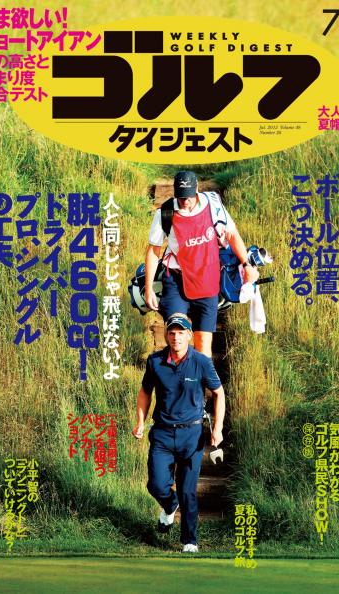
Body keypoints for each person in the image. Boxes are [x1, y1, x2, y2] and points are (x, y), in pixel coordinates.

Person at [132, 313, 225, 553]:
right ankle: (169, 504)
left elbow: (219, 393)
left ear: (189, 335)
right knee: (156, 484)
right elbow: (145, 392)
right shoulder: (155, 361)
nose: (176, 337)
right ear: (166, 335)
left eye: (181, 333)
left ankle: (189, 541)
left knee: (187, 490)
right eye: (172, 333)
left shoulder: (201, 362)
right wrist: (140, 421)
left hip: (191, 435)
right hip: (162, 434)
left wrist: (217, 428)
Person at [144, 170, 259, 357]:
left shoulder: (213, 205)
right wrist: (149, 288)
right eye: (181, 197)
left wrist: (246, 264)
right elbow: (153, 251)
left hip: (207, 279)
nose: (185, 202)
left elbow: (232, 234)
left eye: (188, 196)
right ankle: (178, 372)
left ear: (197, 189)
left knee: (203, 342)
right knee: (177, 336)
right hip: (176, 280)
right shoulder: (165, 213)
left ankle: (200, 375)